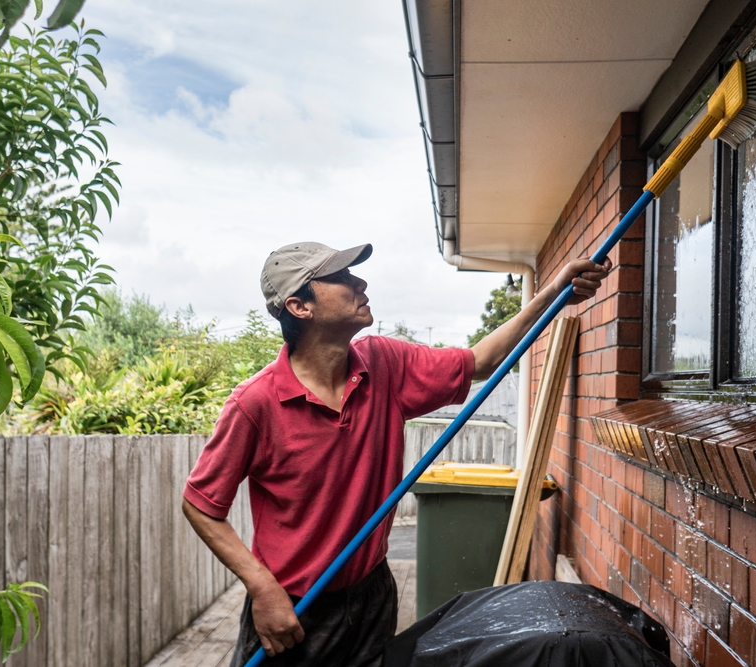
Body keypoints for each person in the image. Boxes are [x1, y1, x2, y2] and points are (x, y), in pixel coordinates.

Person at [182, 241, 611, 667]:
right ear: (299, 306)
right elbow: (200, 505)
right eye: (340, 277)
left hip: (371, 596)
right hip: (293, 606)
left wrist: (555, 292)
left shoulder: (383, 363)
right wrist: (261, 587)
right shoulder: (255, 404)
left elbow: (480, 361)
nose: (360, 283)